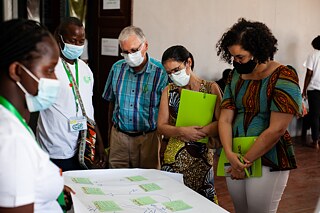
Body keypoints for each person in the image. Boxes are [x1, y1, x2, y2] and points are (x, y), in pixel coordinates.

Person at [216, 18, 302, 213]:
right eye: (232, 57)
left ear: (258, 51)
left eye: (241, 57)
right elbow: (225, 117)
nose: (235, 62)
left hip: (267, 157)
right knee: (241, 209)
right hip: (235, 152)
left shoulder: (284, 76)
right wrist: (229, 153)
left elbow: (277, 128)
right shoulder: (235, 76)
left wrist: (244, 161)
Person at [0, 18, 73, 212]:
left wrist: (50, 190)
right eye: (49, 70)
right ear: (16, 71)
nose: (55, 80)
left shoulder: (13, 120)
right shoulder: (11, 138)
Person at [37, 17, 107, 171]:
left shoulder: (85, 69)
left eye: (81, 41)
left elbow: (89, 108)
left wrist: (99, 141)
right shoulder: (49, 68)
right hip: (54, 146)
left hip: (82, 146)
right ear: (59, 38)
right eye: (73, 40)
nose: (77, 45)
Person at [158, 45, 222, 203]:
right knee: (172, 201)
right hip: (174, 159)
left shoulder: (210, 88)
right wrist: (182, 131)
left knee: (202, 203)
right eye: (169, 73)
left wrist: (203, 131)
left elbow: (223, 122)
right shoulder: (169, 90)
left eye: (176, 69)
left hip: (202, 157)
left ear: (189, 62)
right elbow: (161, 126)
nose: (173, 75)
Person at [102, 26, 168, 169]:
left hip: (148, 138)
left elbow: (168, 110)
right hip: (119, 137)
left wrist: (165, 142)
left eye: (134, 50)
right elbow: (111, 103)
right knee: (116, 181)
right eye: (125, 52)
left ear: (145, 46)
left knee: (148, 182)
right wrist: (109, 134)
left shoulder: (160, 73)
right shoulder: (117, 68)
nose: (130, 56)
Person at [302, 35, 320, 150]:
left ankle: (315, 142)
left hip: (314, 89)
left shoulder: (313, 55)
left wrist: (304, 89)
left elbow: (309, 73)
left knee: (315, 115)